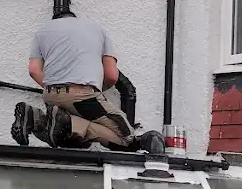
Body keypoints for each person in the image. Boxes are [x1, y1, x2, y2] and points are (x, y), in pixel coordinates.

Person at [12, 10, 163, 153]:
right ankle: (70, 124)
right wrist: (89, 91)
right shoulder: (96, 29)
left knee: (59, 135)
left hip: (50, 95)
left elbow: (33, 70)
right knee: (127, 138)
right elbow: (111, 75)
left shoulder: (42, 31)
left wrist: (54, 87)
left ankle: (33, 115)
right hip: (82, 95)